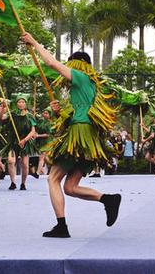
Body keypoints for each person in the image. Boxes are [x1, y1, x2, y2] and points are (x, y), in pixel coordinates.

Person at [20, 33, 121, 238]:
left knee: (53, 179)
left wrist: (34, 42)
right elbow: (79, 111)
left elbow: (51, 63)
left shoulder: (81, 77)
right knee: (71, 187)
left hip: (79, 134)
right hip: (89, 138)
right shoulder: (90, 85)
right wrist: (60, 112)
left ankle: (61, 226)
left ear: (78, 65)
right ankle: (108, 200)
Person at [5, 96, 38, 190]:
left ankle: (23, 183)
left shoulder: (30, 116)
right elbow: (2, 117)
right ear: (16, 104)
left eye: (23, 102)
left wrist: (24, 140)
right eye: (19, 102)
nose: (21, 104)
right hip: (13, 140)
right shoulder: (12, 114)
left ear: (25, 103)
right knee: (11, 161)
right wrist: (3, 107)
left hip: (25, 141)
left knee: (24, 164)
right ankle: (13, 182)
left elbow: (32, 131)